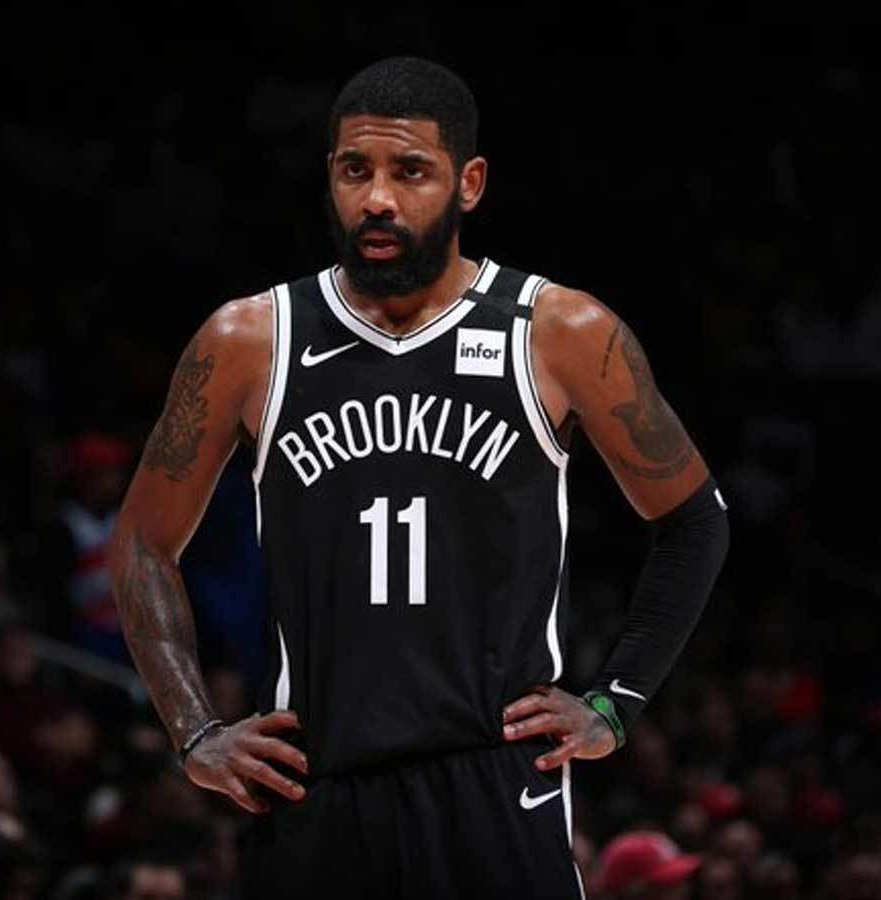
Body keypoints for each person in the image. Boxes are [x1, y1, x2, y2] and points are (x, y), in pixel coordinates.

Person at [109, 56, 730, 899]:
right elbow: (142, 541)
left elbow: (695, 518)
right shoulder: (249, 340)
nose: (377, 199)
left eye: (410, 171)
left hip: (497, 780)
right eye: (353, 170)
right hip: (317, 781)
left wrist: (614, 704)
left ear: (468, 183)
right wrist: (194, 732)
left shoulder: (558, 330)